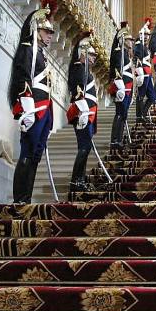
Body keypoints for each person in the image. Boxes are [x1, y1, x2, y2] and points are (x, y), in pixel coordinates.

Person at [8, 0, 57, 204]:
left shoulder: (40, 54)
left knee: (35, 155)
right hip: (34, 107)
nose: (50, 36)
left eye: (51, 32)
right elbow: (23, 78)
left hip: (44, 108)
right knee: (27, 152)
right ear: (36, 29)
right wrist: (27, 109)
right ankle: (20, 198)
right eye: (47, 31)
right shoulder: (28, 48)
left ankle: (26, 197)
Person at [66, 33, 99, 199]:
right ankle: (75, 180)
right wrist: (83, 111)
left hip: (88, 112)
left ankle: (80, 179)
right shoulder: (78, 68)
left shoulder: (85, 70)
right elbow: (77, 92)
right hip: (83, 113)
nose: (94, 58)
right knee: (84, 148)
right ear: (83, 53)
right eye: (91, 55)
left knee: (86, 148)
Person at [108, 21, 135, 155]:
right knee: (120, 113)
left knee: (123, 114)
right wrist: (120, 88)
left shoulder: (125, 53)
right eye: (129, 39)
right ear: (123, 40)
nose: (131, 42)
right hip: (122, 87)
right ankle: (115, 140)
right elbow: (117, 71)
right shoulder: (119, 52)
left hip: (127, 87)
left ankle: (119, 139)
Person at [134, 18, 156, 124]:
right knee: (141, 95)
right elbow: (137, 59)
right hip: (143, 72)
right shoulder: (138, 45)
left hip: (148, 73)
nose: (147, 37)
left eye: (148, 35)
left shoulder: (145, 47)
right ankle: (139, 116)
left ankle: (143, 113)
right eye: (145, 35)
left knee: (152, 97)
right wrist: (139, 72)